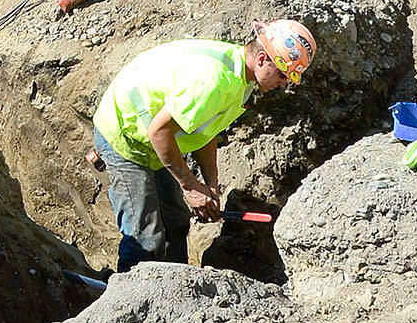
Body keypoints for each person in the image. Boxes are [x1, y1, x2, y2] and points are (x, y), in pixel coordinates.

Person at [91, 21, 317, 272]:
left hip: (153, 140)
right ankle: (127, 300)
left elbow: (206, 130)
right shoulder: (214, 81)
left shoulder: (241, 78)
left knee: (176, 222)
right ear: (263, 59)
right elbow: (159, 132)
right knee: (146, 240)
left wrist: (210, 185)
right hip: (125, 136)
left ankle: (176, 293)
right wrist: (190, 186)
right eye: (283, 75)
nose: (284, 84)